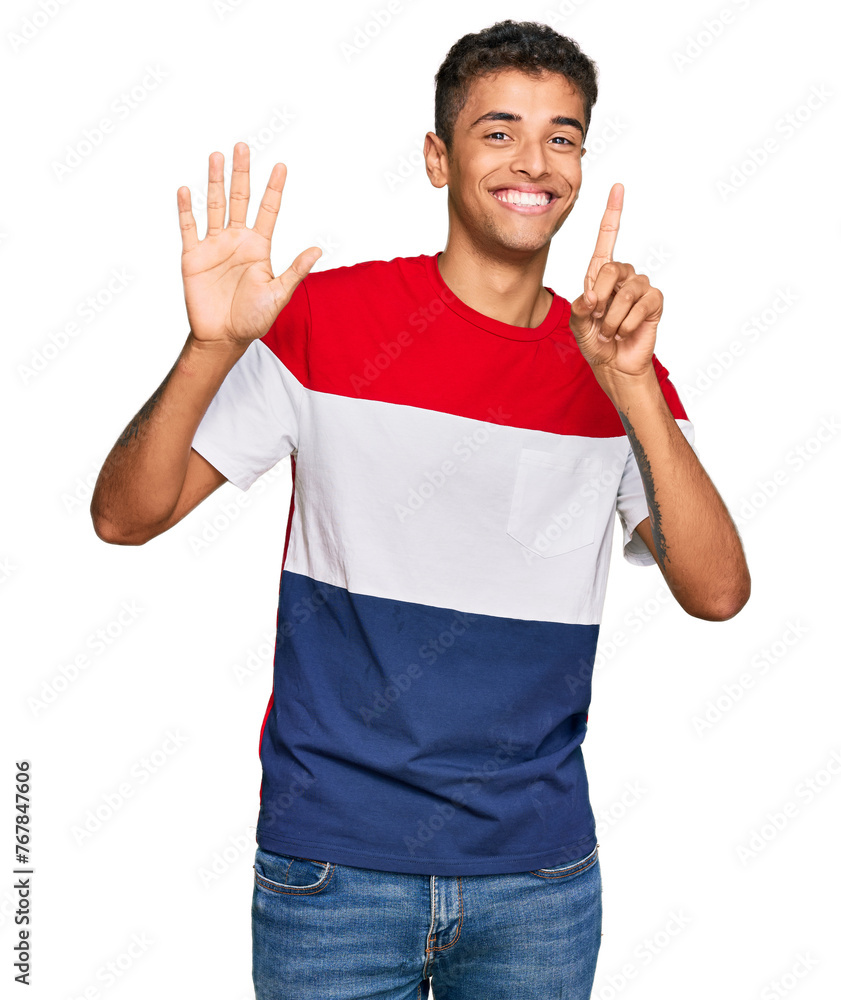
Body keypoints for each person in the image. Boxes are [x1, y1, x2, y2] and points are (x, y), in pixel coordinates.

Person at [90, 18, 750, 1000]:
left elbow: (718, 591)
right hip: (333, 869)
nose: (535, 160)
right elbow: (124, 516)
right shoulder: (322, 320)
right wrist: (210, 349)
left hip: (537, 878)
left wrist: (637, 388)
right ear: (438, 158)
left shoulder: (614, 364)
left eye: (562, 136)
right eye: (499, 131)